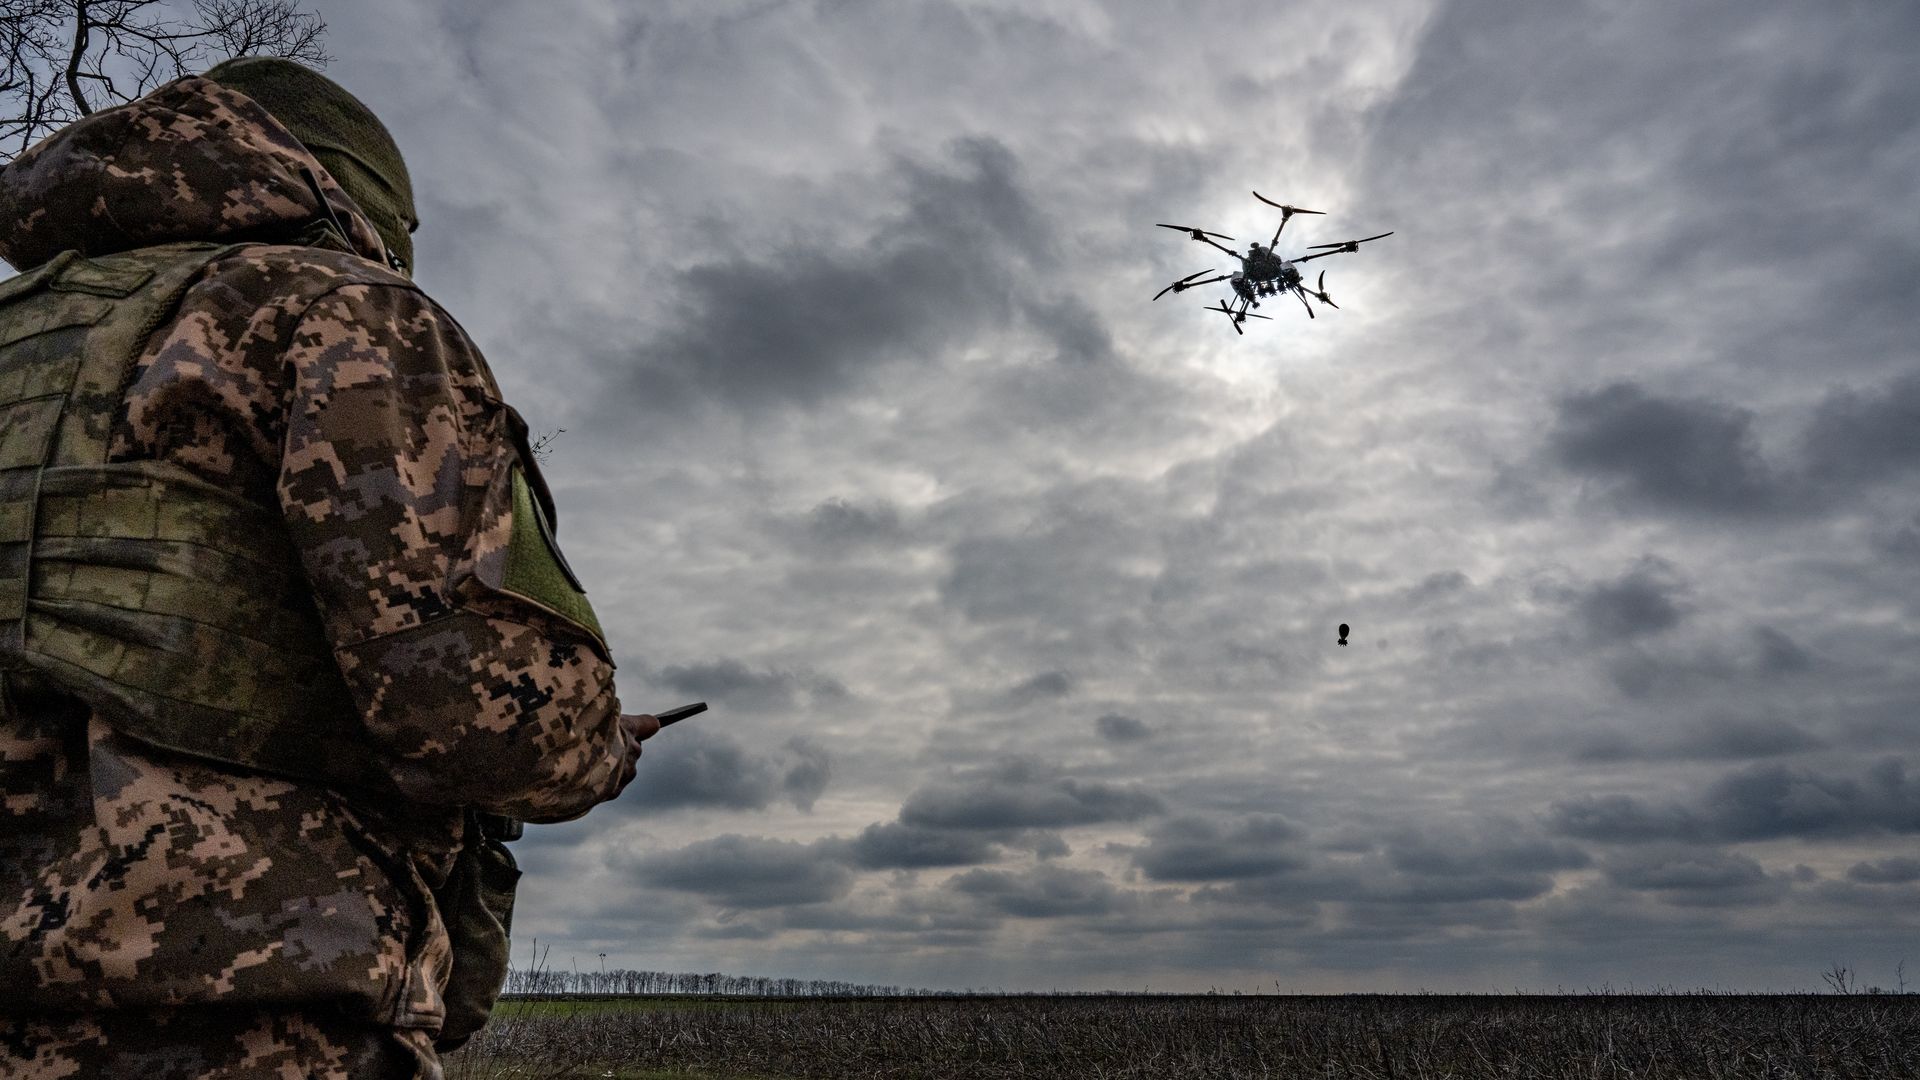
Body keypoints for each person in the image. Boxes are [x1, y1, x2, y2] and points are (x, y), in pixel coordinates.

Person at [0, 58, 658, 1078]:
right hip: (235, 1012)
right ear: (350, 198)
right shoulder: (336, 312)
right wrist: (602, 745)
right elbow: (481, 718)